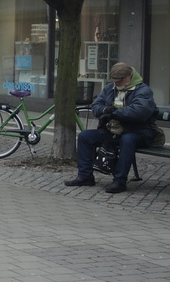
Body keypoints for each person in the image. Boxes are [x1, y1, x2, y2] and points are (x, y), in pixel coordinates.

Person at [65, 62, 158, 193]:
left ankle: (119, 181)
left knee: (127, 140)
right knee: (84, 137)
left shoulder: (143, 90)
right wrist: (104, 110)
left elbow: (139, 111)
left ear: (129, 76)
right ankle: (85, 176)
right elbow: (96, 105)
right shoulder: (110, 88)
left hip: (138, 132)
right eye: (115, 81)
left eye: (120, 80)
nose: (117, 84)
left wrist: (114, 113)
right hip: (113, 131)